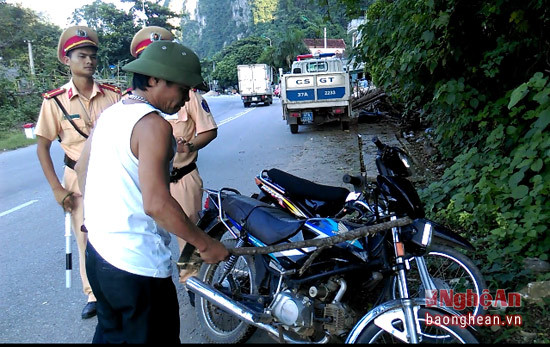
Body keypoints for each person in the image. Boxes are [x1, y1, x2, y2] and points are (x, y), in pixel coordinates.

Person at [78, 41, 229, 343]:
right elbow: (157, 204)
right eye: (183, 89)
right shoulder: (154, 125)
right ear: (153, 80)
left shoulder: (111, 114)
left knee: (111, 334)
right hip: (136, 265)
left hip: (98, 254)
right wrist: (205, 244)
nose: (187, 98)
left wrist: (94, 220)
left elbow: (83, 169)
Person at [35, 25, 121, 320]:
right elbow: (42, 147)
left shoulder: (113, 96)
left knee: (119, 229)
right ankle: (93, 294)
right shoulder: (54, 101)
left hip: (113, 176)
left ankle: (120, 284)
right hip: (77, 181)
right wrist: (57, 189)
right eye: (82, 56)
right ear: (67, 59)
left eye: (93, 56)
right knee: (85, 237)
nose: (89, 61)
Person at [128, 26, 217, 267]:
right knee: (150, 239)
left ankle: (192, 281)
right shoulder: (132, 112)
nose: (185, 97)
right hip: (144, 186)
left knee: (189, 237)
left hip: (181, 178)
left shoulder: (188, 96)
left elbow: (209, 130)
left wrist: (189, 145)